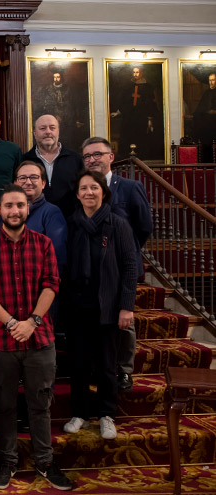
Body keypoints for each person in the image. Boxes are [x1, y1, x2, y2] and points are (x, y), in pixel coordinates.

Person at [0, 184, 72, 492]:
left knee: (40, 404)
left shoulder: (43, 244)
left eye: (20, 205)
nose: (14, 210)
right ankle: (8, 460)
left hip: (39, 339)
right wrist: (12, 323)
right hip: (1, 341)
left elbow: (51, 284)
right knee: (3, 405)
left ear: (28, 208)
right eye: (8, 206)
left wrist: (32, 322)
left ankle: (44, 461)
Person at [62, 169, 138, 440]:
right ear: (77, 194)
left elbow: (130, 267)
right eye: (83, 188)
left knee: (107, 366)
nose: (88, 192)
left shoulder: (117, 223)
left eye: (93, 187)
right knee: (79, 365)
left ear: (102, 192)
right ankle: (80, 412)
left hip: (108, 306)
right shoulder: (71, 224)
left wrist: (126, 306)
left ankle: (107, 414)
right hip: (78, 306)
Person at [82, 136, 152, 391]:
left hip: (123, 266)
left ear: (111, 157)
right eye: (87, 156)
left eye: (97, 154)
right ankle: (98, 367)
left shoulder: (130, 187)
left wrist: (127, 251)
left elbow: (144, 226)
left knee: (124, 320)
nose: (92, 159)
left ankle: (123, 371)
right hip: (92, 266)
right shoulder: (83, 188)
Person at [22, 114, 84, 218]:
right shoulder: (24, 161)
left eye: (52, 128)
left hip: (72, 223)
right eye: (42, 128)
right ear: (35, 133)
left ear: (58, 132)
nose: (48, 132)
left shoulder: (75, 159)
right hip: (33, 222)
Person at [15, 161, 67, 272]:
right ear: (16, 183)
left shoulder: (52, 213)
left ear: (43, 183)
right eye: (22, 178)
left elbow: (57, 257)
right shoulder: (8, 213)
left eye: (34, 177)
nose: (28, 182)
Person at [110, 66, 163, 160]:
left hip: (142, 119)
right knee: (127, 139)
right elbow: (124, 102)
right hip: (129, 118)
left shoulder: (148, 87)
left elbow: (151, 104)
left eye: (137, 72)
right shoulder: (128, 86)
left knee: (142, 140)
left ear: (141, 73)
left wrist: (150, 119)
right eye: (134, 72)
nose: (135, 74)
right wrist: (118, 112)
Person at [193, 72, 216, 163]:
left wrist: (214, 112)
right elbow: (199, 109)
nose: (211, 82)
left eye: (213, 80)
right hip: (207, 124)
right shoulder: (206, 93)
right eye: (210, 80)